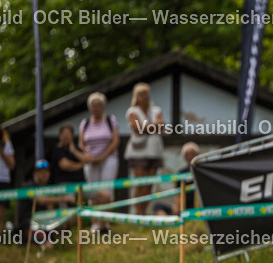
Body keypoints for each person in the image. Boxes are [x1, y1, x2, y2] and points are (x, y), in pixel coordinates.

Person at [78, 92, 120, 231]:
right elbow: (81, 143)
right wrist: (88, 156)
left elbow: (115, 140)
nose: (96, 108)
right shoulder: (85, 123)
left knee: (107, 189)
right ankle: (95, 222)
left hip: (108, 158)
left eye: (99, 105)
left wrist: (103, 156)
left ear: (103, 106)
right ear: (90, 107)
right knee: (93, 191)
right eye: (93, 105)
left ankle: (106, 222)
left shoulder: (110, 120)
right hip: (90, 161)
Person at [124, 82, 165, 216]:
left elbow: (161, 124)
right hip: (138, 152)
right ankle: (138, 212)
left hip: (154, 151)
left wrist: (145, 127)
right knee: (140, 183)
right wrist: (153, 126)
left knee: (150, 184)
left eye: (146, 93)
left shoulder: (156, 110)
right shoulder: (132, 111)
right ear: (136, 96)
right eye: (141, 94)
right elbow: (138, 128)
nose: (144, 96)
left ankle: (144, 212)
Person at [16, 159, 60, 247]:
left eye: (46, 171)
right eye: (41, 172)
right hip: (27, 224)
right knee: (46, 243)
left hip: (42, 223)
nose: (44, 174)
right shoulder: (27, 186)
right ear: (35, 173)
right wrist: (63, 198)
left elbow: (50, 209)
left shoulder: (48, 188)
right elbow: (41, 200)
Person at [152, 141, 200, 216]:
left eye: (192, 154)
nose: (190, 157)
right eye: (187, 154)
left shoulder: (201, 171)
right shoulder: (181, 173)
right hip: (184, 206)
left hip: (198, 206)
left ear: (197, 155)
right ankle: (166, 224)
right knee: (157, 206)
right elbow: (178, 192)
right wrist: (177, 207)